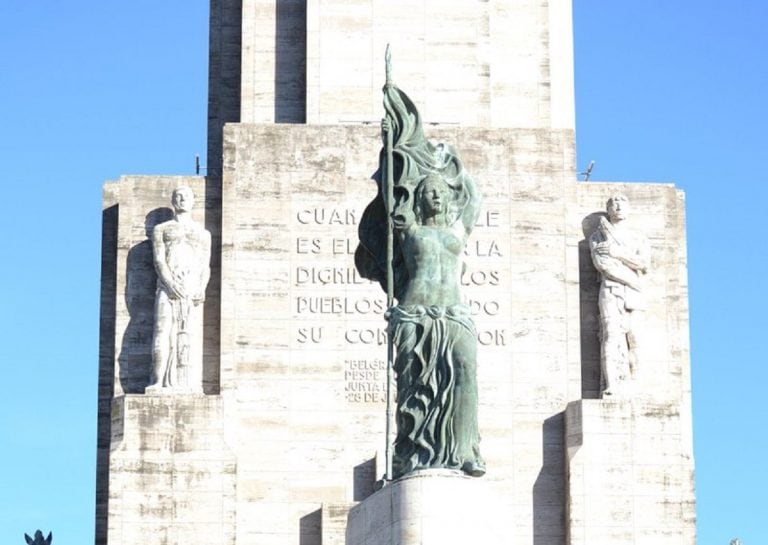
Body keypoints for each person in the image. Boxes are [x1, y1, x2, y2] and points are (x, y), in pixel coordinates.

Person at [388, 168, 486, 477]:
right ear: (419, 198)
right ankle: (411, 453)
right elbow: (392, 198)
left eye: (441, 191)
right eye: (429, 190)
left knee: (465, 374)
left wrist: (452, 168)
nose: (436, 195)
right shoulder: (409, 230)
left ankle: (465, 451)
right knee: (413, 387)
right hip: (414, 316)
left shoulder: (459, 230)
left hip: (455, 314)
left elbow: (474, 197)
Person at [146, 185, 211, 393]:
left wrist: (201, 287)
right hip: (168, 286)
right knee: (163, 331)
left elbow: (205, 265)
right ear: (173, 201)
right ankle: (158, 381)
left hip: (192, 289)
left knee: (190, 335)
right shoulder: (162, 229)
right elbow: (158, 260)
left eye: (186, 197)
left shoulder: (203, 233)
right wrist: (170, 284)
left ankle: (189, 384)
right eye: (178, 197)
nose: (182, 200)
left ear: (193, 201)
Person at [589, 195, 650, 397]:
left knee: (635, 338)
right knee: (611, 335)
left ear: (629, 208)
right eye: (613, 203)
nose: (618, 206)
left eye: (622, 202)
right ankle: (612, 384)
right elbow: (603, 265)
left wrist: (618, 252)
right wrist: (633, 280)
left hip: (634, 293)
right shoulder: (598, 236)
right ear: (608, 209)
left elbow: (643, 263)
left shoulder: (638, 237)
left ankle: (637, 384)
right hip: (612, 289)